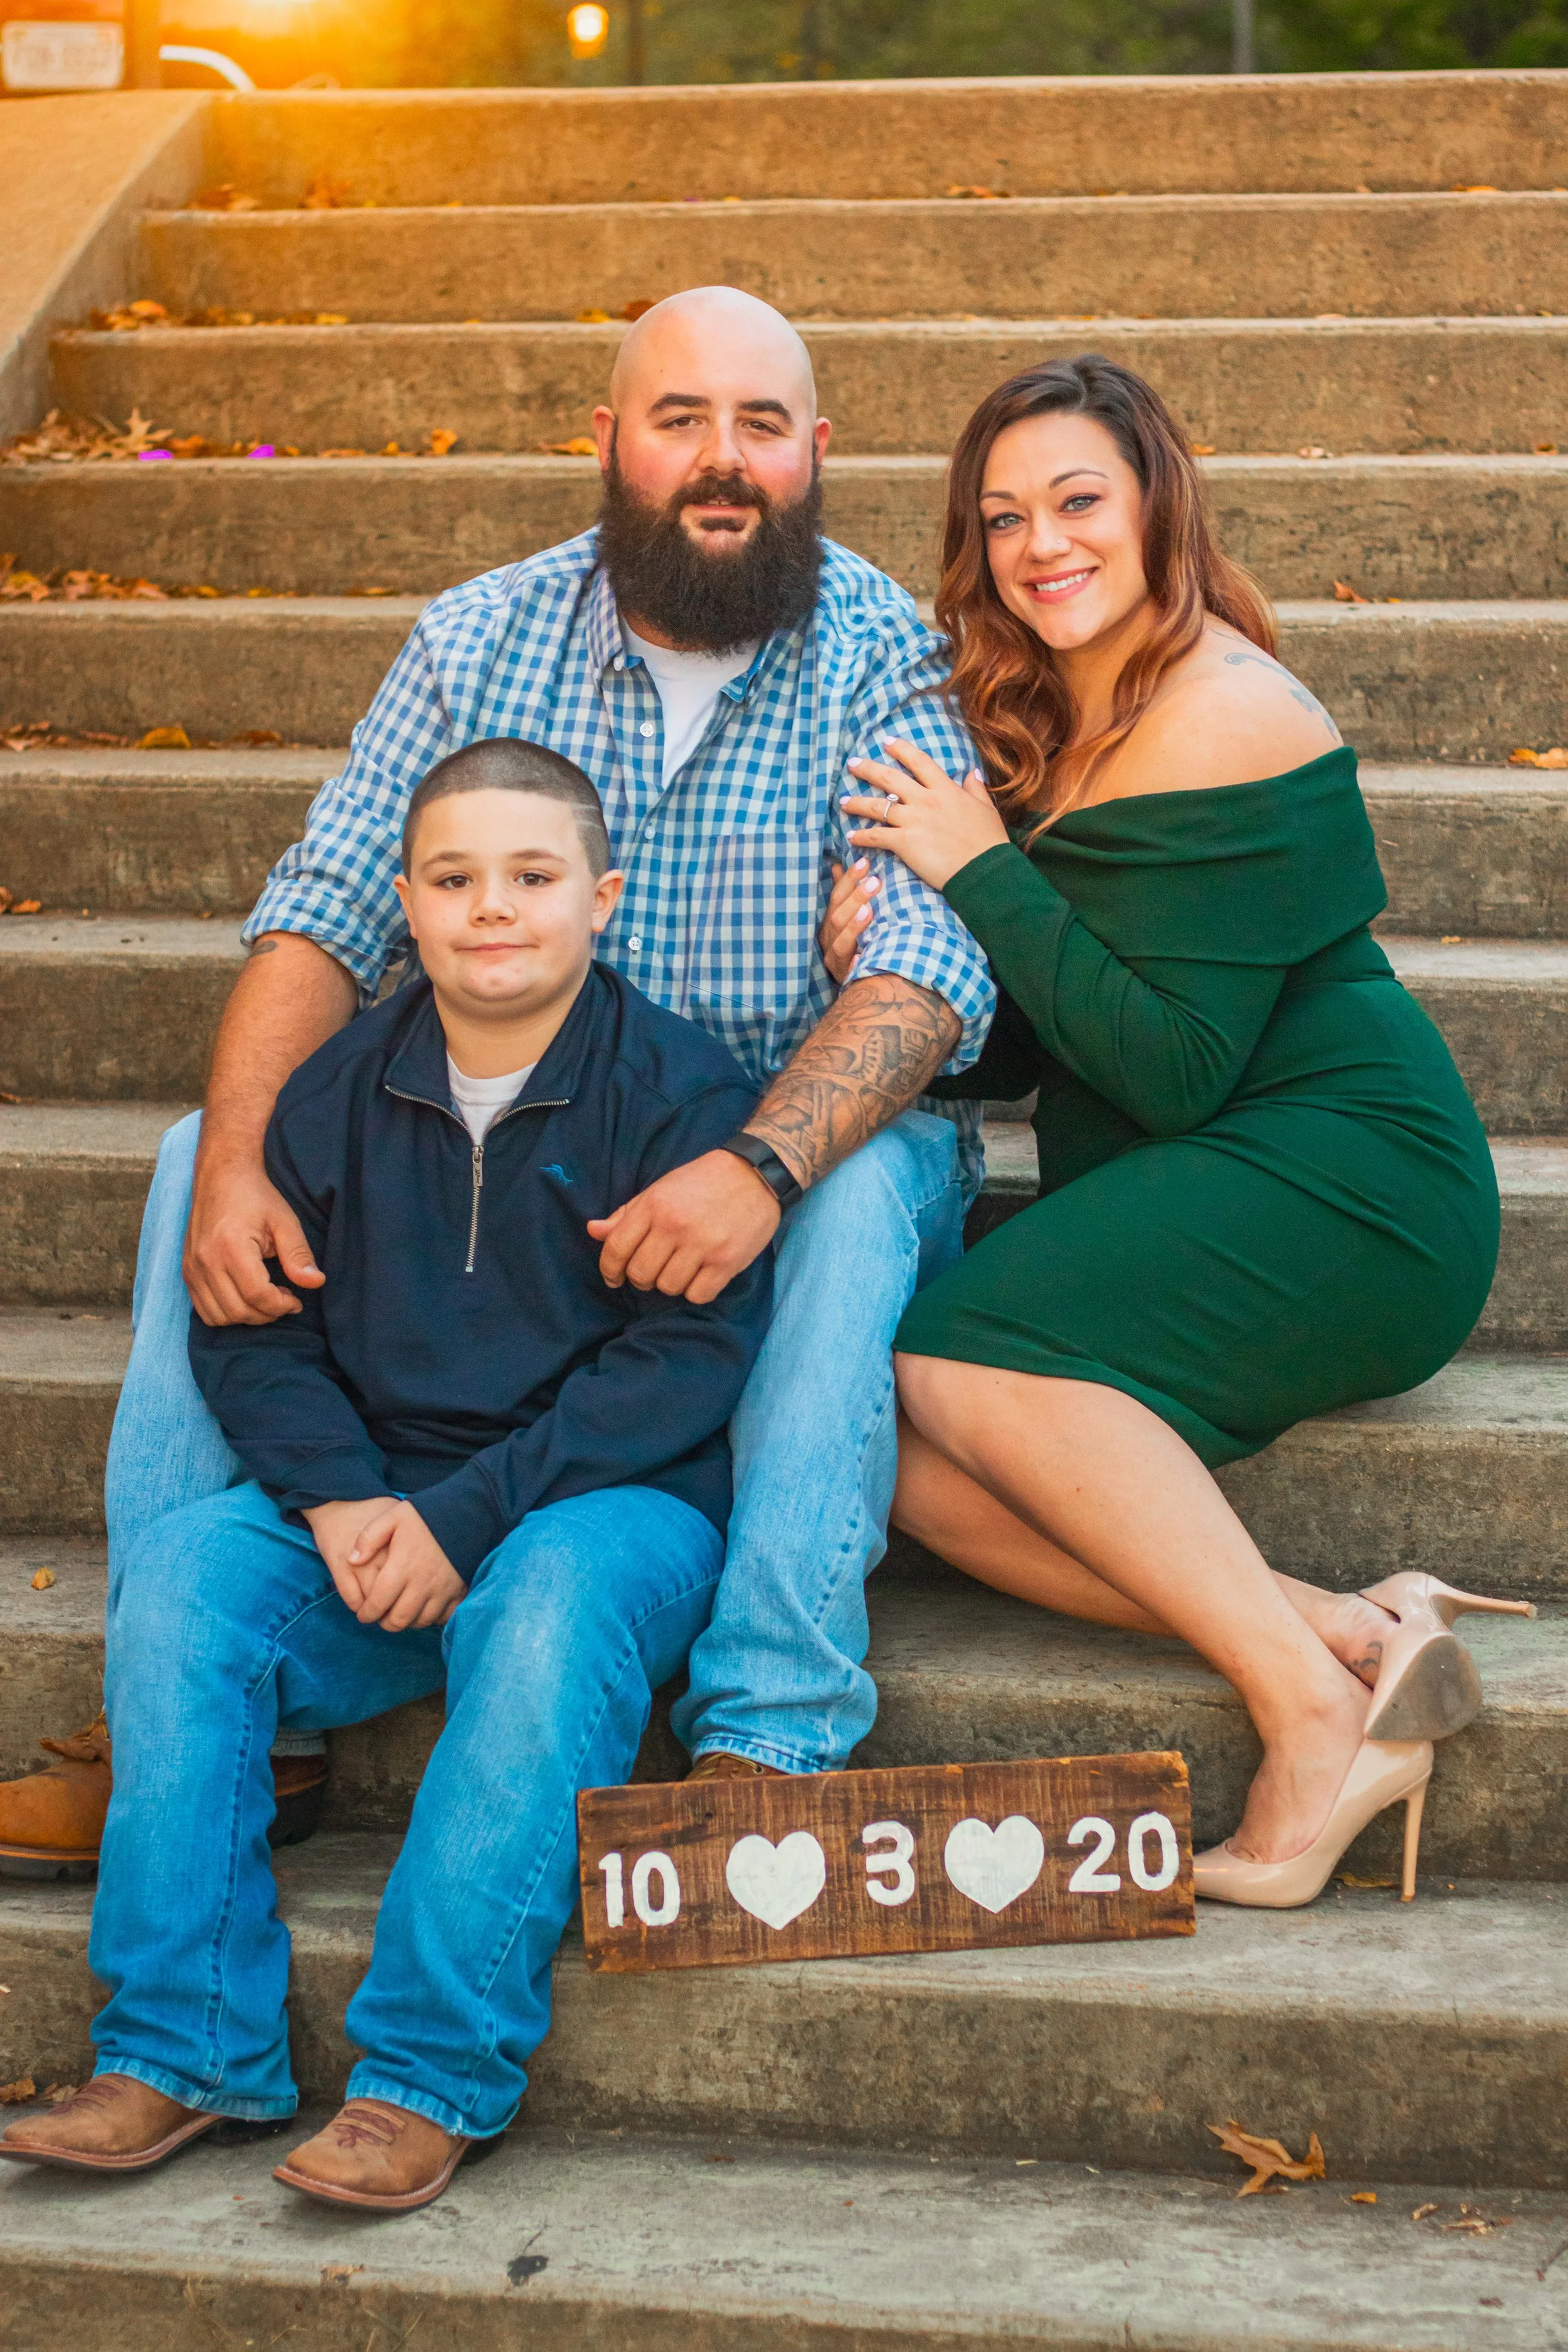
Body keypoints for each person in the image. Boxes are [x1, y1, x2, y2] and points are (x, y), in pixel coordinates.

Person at [0, 283, 993, 1878]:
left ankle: (765, 1734)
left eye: (757, 426)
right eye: (679, 420)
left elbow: (930, 969)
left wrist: (754, 1165)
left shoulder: (883, 654)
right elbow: (325, 909)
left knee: (861, 1177)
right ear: (605, 443)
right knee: (204, 1153)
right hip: (505, 1133)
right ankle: (197, 1722)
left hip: (766, 1153)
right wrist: (250, 1148)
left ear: (816, 452)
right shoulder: (477, 638)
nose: (719, 461)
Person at [0, 742, 772, 2204]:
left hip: (614, 1507)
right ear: (405, 905)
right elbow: (251, 1334)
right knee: (185, 1577)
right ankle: (180, 2045)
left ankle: (428, 2070)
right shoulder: (337, 1087)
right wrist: (349, 1500)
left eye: (532, 878)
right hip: (376, 1503)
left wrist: (467, 1518)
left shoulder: (679, 1088)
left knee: (543, 1609)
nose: (494, 909)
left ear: (602, 897)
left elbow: (681, 1367)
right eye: (455, 879)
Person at [825, 354, 1525, 1911]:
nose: (1037, 543)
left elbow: (1176, 1067)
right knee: (891, 1457)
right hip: (1216, 1162)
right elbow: (1057, 1034)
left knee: (948, 1354)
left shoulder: (1226, 708)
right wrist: (873, 955)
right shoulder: (1058, 705)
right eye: (1002, 516)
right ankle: (1345, 1630)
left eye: (1076, 499)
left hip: (1350, 1181)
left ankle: (1309, 1720)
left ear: (1155, 506)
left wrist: (977, 867)